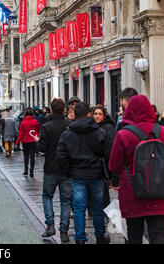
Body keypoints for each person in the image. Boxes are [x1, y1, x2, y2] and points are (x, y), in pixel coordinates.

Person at [109, 95, 164, 244]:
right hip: (160, 190)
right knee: (159, 234)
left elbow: (114, 165)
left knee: (134, 235)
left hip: (133, 191)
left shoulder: (123, 134)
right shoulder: (163, 132)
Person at [57, 102, 112, 244]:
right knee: (97, 207)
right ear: (89, 114)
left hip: (77, 175)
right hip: (96, 174)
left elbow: (61, 156)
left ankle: (80, 238)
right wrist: (109, 175)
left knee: (79, 208)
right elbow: (107, 153)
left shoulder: (67, 134)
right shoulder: (99, 132)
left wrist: (69, 172)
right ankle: (100, 235)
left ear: (74, 115)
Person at [38, 98, 71, 242]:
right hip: (66, 169)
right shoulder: (69, 126)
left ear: (51, 110)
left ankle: (50, 225)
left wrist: (37, 141)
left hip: (51, 167)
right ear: (64, 110)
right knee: (65, 201)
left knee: (47, 196)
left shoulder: (46, 126)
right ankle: (64, 231)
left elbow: (42, 148)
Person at [92, 105, 117, 210]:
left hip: (103, 165)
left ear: (104, 116)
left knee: (103, 192)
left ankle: (104, 213)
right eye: (95, 114)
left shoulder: (108, 128)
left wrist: (110, 174)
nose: (97, 116)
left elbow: (110, 150)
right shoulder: (92, 127)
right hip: (94, 165)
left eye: (100, 114)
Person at [15, 109, 40, 177]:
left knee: (26, 156)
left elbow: (20, 134)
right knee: (32, 157)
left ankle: (26, 170)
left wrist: (17, 142)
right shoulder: (35, 121)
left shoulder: (23, 122)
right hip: (33, 141)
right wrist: (37, 137)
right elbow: (38, 130)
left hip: (25, 142)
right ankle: (31, 171)